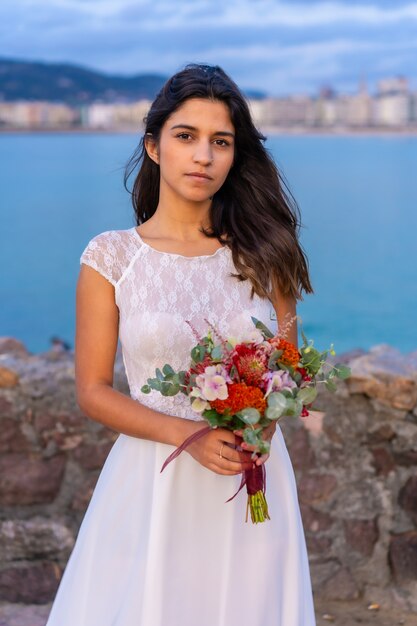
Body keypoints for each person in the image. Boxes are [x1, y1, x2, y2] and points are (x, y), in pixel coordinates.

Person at [45, 63, 316, 625]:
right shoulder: (111, 257)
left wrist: (260, 430)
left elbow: (289, 365)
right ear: (153, 146)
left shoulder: (266, 252)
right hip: (154, 478)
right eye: (186, 137)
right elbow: (93, 392)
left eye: (221, 142)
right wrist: (190, 435)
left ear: (236, 155)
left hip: (249, 479)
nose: (204, 156)